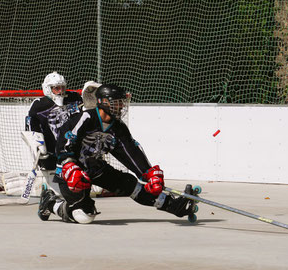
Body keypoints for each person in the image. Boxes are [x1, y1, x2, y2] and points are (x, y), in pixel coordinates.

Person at [38, 83, 195, 224]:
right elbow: (65, 141)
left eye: (122, 102)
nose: (121, 106)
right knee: (83, 215)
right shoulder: (86, 118)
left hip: (95, 168)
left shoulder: (118, 128)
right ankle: (51, 203)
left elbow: (130, 152)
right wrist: (69, 165)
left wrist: (148, 174)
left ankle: (174, 206)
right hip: (71, 173)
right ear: (103, 102)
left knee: (131, 185)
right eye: (117, 102)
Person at [24, 72, 82, 170]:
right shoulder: (38, 105)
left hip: (74, 151)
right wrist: (38, 146)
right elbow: (30, 130)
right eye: (56, 88)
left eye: (63, 88)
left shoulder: (74, 98)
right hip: (51, 153)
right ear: (48, 89)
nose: (61, 91)